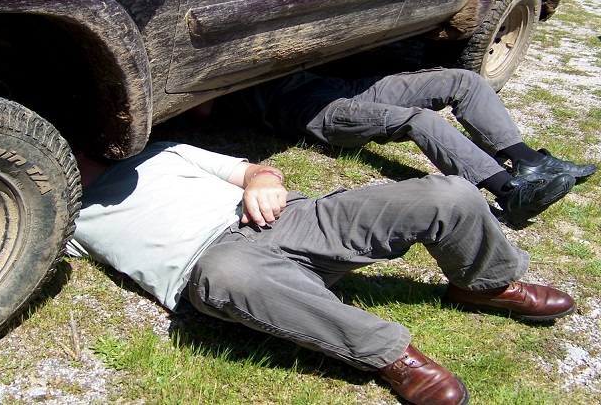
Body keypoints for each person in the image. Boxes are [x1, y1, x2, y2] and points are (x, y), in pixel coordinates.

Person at [68, 141, 576, 405]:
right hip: (220, 267)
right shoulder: (60, 215)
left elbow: (252, 170)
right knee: (229, 273)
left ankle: (486, 283)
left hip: (287, 219)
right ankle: (392, 356)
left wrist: (263, 180)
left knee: (450, 193)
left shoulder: (160, 154)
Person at [203, 68, 596, 225]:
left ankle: (528, 162)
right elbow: (198, 104)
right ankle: (510, 191)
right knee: (418, 120)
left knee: (463, 81)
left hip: (334, 78)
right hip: (303, 108)